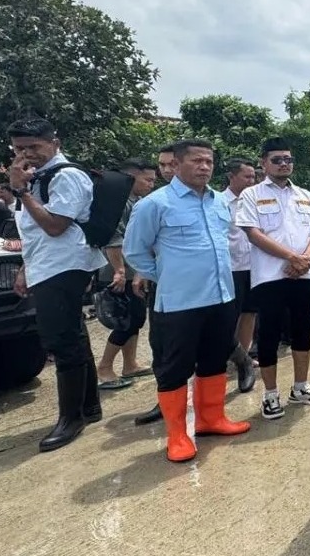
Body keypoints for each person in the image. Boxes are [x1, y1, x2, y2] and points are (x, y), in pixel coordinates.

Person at [123, 139, 250, 462]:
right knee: (173, 368)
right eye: (196, 161)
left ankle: (212, 419)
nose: (204, 166)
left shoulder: (219, 202)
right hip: (178, 303)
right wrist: (167, 276)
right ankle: (177, 434)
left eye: (208, 161)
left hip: (221, 296)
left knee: (214, 360)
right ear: (175, 165)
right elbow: (135, 251)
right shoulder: (155, 204)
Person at [6, 117, 107, 452]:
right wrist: (26, 267)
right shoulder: (37, 179)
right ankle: (88, 406)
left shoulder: (67, 176)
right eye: (19, 148)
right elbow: (32, 232)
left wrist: (20, 190)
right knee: (73, 334)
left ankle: (71, 418)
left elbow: (54, 226)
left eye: (34, 146)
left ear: (54, 143)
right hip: (46, 264)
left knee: (61, 340)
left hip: (66, 264)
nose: (26, 154)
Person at [236, 137, 310, 420]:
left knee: (303, 332)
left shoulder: (304, 195)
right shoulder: (251, 195)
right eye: (277, 159)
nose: (283, 164)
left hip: (304, 274)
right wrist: (291, 258)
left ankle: (300, 388)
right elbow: (253, 233)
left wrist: (304, 260)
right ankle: (271, 394)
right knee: (270, 336)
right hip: (270, 277)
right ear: (263, 162)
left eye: (288, 159)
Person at [94, 158, 156, 390]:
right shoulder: (120, 203)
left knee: (136, 318)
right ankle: (105, 366)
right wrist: (119, 271)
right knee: (126, 321)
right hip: (119, 270)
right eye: (147, 179)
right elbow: (113, 239)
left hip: (133, 269)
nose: (151, 184)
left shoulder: (136, 201)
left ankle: (130, 364)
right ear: (131, 177)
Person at [131, 144, 175, 426]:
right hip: (165, 284)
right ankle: (166, 400)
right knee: (161, 342)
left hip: (203, 285)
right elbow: (136, 247)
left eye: (172, 164)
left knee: (213, 339)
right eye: (163, 165)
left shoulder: (211, 200)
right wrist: (147, 272)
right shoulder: (150, 203)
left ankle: (242, 361)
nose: (167, 170)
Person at [222, 158, 259, 393]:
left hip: (253, 266)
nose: (252, 181)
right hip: (230, 268)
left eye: (253, 176)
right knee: (228, 317)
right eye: (247, 177)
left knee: (249, 313)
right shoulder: (219, 202)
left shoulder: (254, 200)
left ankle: (243, 358)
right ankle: (227, 356)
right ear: (231, 177)